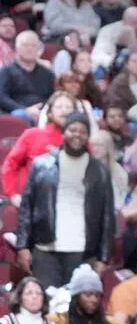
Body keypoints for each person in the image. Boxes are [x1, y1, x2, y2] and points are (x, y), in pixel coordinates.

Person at [16, 111, 115, 287]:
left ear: (88, 136)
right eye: (72, 129)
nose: (77, 135)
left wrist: (103, 257)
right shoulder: (42, 165)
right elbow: (26, 208)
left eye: (82, 131)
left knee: (74, 308)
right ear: (63, 133)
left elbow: (107, 216)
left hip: (83, 251)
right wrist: (23, 246)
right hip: (46, 249)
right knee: (47, 306)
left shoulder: (99, 171)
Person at [0, 30, 55, 119]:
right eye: (25, 45)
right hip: (16, 113)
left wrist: (42, 110)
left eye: (33, 45)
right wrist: (26, 110)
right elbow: (2, 98)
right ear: (16, 48)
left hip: (42, 113)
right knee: (20, 115)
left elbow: (52, 97)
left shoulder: (48, 74)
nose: (29, 48)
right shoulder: (6, 72)